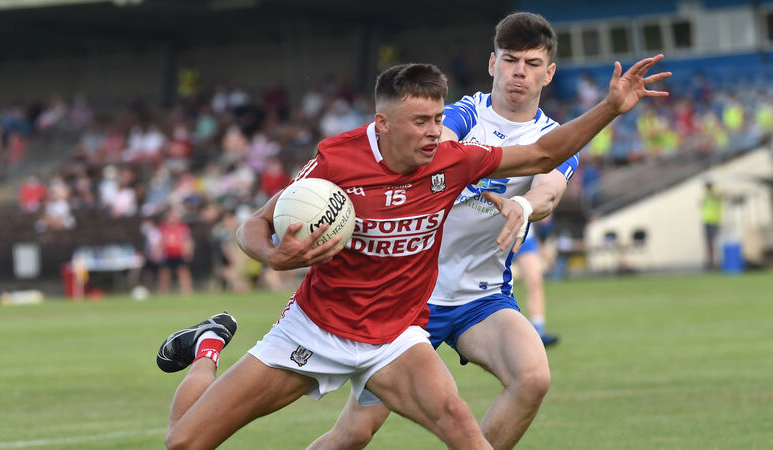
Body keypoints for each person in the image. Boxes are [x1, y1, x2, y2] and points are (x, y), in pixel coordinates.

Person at [155, 56, 669, 449]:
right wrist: (270, 256)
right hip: (315, 328)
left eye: (437, 118)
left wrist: (609, 108)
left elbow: (542, 153)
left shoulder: (452, 160)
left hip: (395, 337)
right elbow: (255, 223)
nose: (433, 132)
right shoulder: (338, 159)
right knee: (184, 442)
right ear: (382, 124)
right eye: (419, 121)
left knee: (467, 436)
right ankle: (208, 346)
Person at [311, 12, 575, 449]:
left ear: (548, 73)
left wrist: (523, 205)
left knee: (532, 377)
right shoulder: (462, 116)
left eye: (531, 64)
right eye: (510, 60)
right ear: (493, 64)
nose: (519, 72)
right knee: (353, 434)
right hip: (413, 299)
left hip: (482, 298)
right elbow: (432, 148)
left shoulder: (552, 136)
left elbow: (550, 189)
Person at [515, 227, 559, 347]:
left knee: (535, 282)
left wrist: (541, 247)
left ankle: (538, 332)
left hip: (524, 237)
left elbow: (530, 215)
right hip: (496, 237)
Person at [701, 181, 722, 270]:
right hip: (707, 221)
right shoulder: (706, 196)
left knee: (715, 242)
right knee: (708, 243)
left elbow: (720, 196)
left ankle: (716, 262)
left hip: (715, 222)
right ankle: (710, 262)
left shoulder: (715, 194)